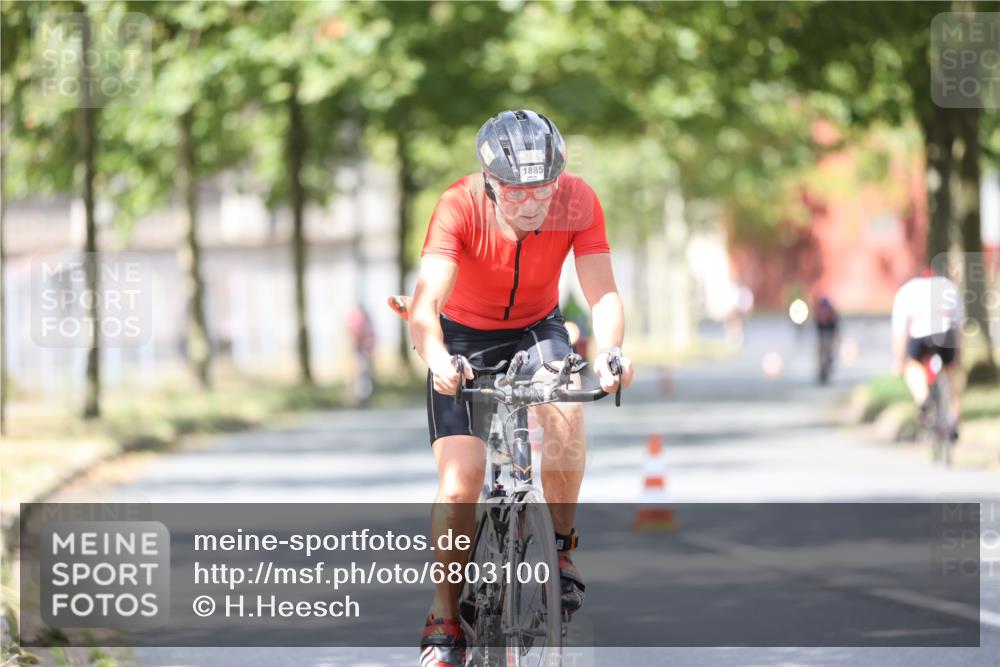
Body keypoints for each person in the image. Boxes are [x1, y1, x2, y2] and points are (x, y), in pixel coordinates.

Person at [409, 109, 634, 667]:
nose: (532, 204)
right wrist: (437, 358)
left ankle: (558, 549)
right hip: (461, 337)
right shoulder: (457, 205)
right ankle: (444, 616)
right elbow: (425, 304)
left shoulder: (578, 201)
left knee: (566, 410)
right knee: (461, 483)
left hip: (538, 328)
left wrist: (610, 353)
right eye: (515, 193)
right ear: (489, 182)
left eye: (543, 189)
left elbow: (602, 291)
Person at [891, 267, 964, 441]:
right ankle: (953, 417)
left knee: (912, 366)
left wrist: (899, 361)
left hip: (920, 335)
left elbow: (900, 332)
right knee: (951, 372)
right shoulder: (949, 287)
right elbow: (959, 326)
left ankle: (923, 398)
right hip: (946, 335)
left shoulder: (906, 291)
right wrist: (958, 357)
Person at [814, 295, 839, 384]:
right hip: (822, 333)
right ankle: (822, 368)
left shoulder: (832, 316)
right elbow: (817, 329)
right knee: (821, 350)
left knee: (829, 348)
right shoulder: (818, 315)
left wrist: (834, 338)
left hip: (829, 332)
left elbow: (835, 328)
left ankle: (828, 361)